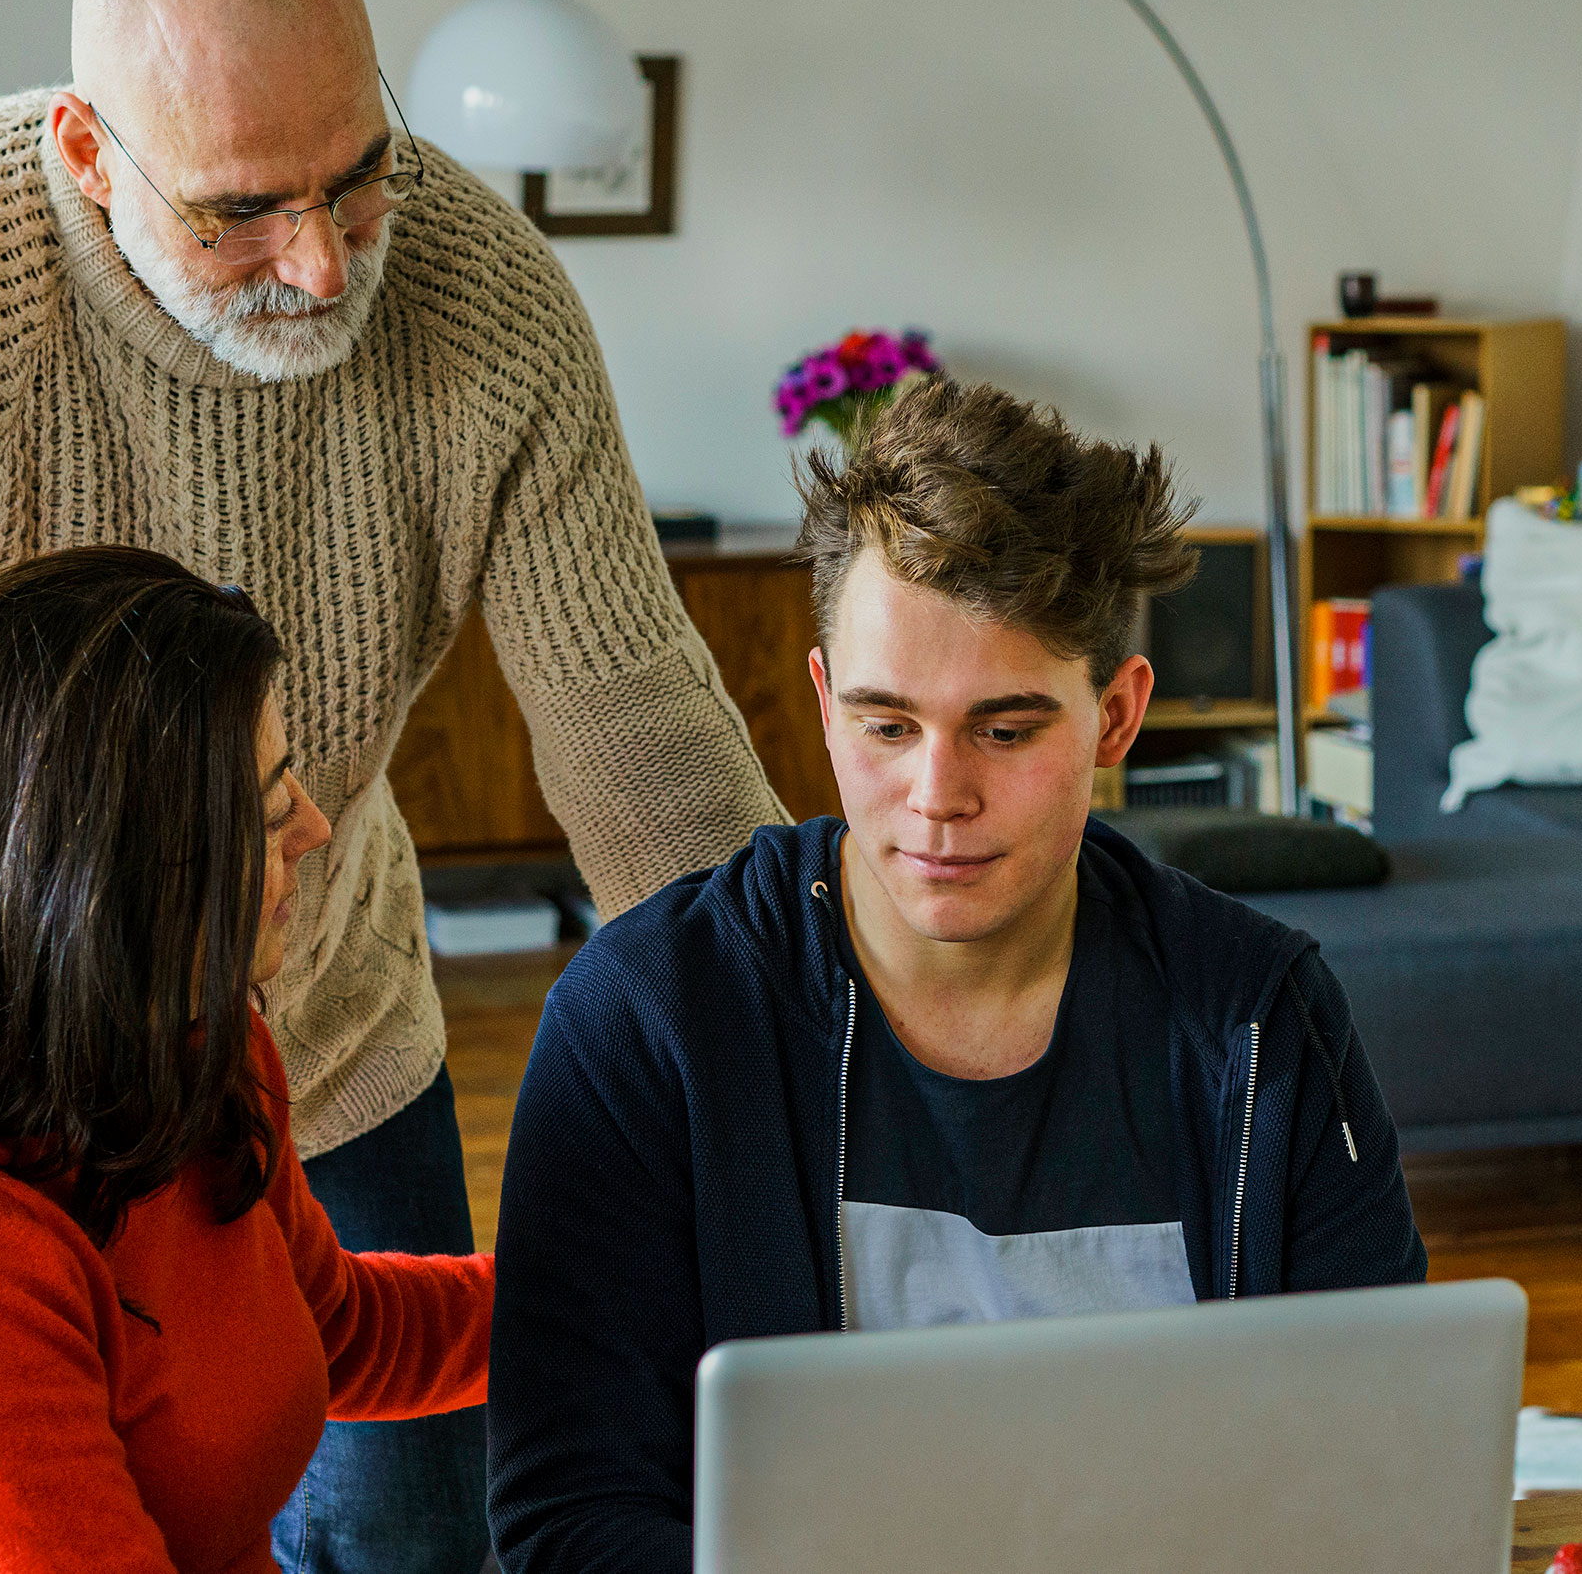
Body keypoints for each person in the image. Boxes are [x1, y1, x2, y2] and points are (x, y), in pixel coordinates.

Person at [0, 0, 784, 1566]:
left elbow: (651, 754)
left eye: (358, 175)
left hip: (247, 1006)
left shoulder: (231, 1057)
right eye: (241, 211)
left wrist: (786, 1123)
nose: (326, 259)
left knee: (411, 1525)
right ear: (87, 154)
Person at [484, 381, 1430, 1574]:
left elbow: (1383, 1459)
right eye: (887, 727)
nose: (938, 799)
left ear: (1117, 717)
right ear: (826, 705)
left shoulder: (1263, 1020)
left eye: (1005, 729)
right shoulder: (647, 1020)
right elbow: (567, 1525)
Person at [0, 548, 492, 1574]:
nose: (319, 831)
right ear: (110, 873)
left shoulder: (194, 1051)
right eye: (273, 807)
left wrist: (629, 1290)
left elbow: (336, 1327)